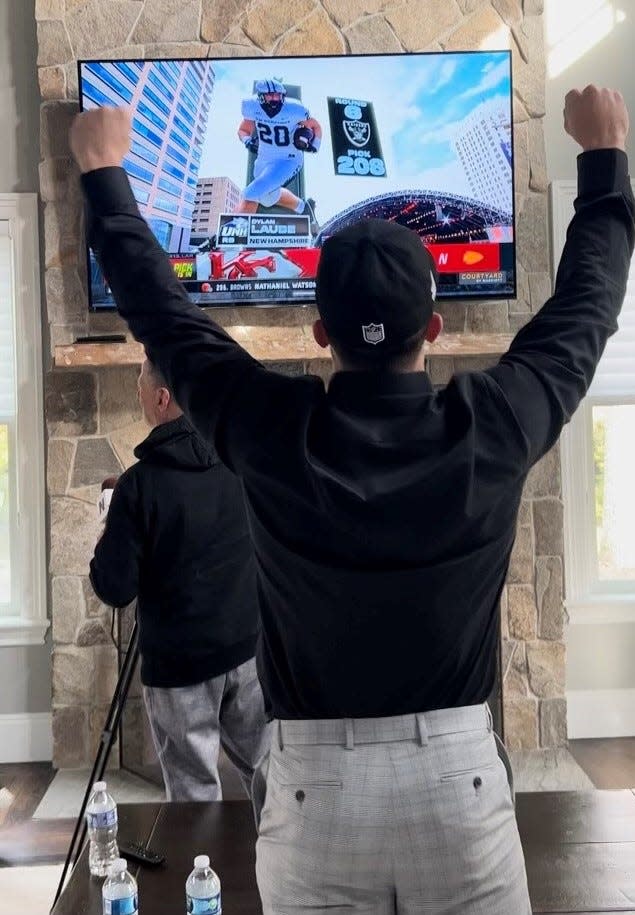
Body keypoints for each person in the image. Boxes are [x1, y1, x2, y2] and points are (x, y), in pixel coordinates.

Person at [71, 85, 633, 914]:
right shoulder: (494, 422)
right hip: (459, 781)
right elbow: (587, 306)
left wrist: (102, 171)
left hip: (313, 790)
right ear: (433, 328)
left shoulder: (268, 426)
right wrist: (604, 157)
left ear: (320, 334)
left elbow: (162, 314)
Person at [89, 356, 271, 805]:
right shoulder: (238, 457)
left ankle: (204, 874)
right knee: (272, 778)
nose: (137, 393)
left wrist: (108, 525)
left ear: (162, 398)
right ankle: (281, 873)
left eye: (139, 386)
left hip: (181, 669)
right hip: (248, 653)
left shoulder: (137, 487)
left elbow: (114, 587)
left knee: (194, 798)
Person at [236, 78, 321, 233]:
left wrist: (314, 145)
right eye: (270, 95)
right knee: (267, 198)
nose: (275, 99)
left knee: (251, 193)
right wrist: (247, 140)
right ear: (261, 96)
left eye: (277, 95)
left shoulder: (294, 109)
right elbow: (243, 130)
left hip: (288, 159)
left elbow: (315, 126)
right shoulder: (252, 107)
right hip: (264, 159)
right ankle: (304, 207)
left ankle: (232, 238)